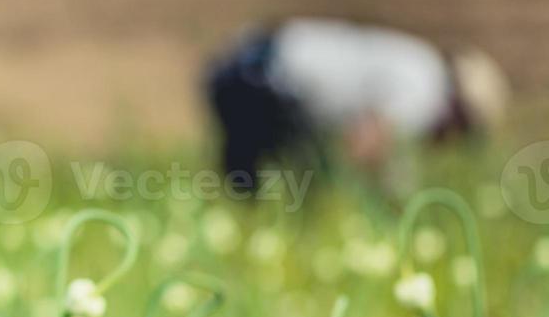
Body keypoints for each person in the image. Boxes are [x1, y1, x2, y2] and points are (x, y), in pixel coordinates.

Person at [206, 17, 508, 193]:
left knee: (265, 190)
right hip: (267, 82)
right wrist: (392, 198)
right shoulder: (427, 92)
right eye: (463, 131)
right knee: (299, 193)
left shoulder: (421, 63)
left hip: (257, 60)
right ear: (458, 112)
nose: (451, 143)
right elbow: (368, 139)